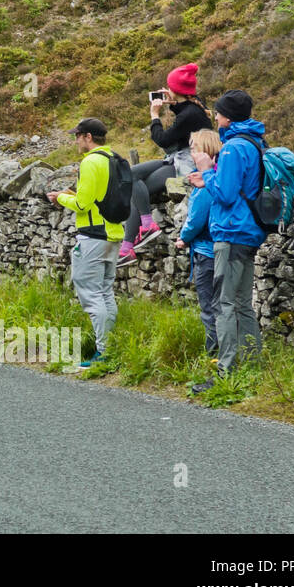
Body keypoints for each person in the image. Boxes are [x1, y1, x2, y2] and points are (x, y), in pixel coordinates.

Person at [187, 90, 267, 394]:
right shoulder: (254, 142)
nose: (215, 117)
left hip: (231, 233)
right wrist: (207, 178)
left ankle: (226, 371)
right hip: (249, 233)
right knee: (243, 304)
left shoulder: (233, 148)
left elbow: (226, 195)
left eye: (218, 112)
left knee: (223, 304)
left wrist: (207, 170)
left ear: (228, 116)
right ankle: (252, 365)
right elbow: (234, 186)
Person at [46, 118, 123, 367]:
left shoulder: (90, 162)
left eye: (77, 136)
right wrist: (73, 195)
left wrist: (61, 198)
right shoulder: (114, 159)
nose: (75, 141)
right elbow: (97, 196)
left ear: (88, 137)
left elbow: (83, 205)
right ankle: (111, 347)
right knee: (105, 291)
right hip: (113, 233)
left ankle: (103, 352)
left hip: (92, 235)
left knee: (91, 294)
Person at [118, 63, 213, 265]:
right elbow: (184, 109)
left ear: (176, 90)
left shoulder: (189, 115)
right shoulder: (194, 106)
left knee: (135, 182)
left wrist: (154, 116)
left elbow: (163, 139)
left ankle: (144, 228)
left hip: (186, 163)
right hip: (177, 157)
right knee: (132, 175)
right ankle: (132, 241)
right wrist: (172, 101)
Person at [175, 130, 222, 356]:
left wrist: (183, 238)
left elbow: (197, 218)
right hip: (217, 251)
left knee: (209, 307)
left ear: (204, 150)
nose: (191, 153)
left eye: (193, 148)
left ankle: (214, 355)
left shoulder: (206, 182)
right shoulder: (219, 176)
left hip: (206, 252)